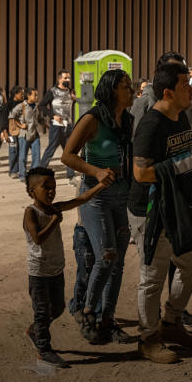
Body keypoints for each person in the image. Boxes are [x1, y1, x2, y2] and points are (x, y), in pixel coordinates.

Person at [132, 62, 192, 364]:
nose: (191, 89)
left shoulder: (181, 117)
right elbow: (141, 173)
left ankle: (171, 322)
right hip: (152, 211)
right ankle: (147, 338)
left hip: (179, 205)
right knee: (152, 276)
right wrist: (184, 167)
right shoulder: (152, 125)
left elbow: (185, 157)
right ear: (168, 91)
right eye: (185, 85)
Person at [62, 69, 134, 344]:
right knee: (107, 256)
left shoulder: (128, 120)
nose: (130, 90)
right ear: (112, 90)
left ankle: (108, 320)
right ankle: (88, 312)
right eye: (125, 86)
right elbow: (68, 156)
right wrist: (97, 171)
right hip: (96, 195)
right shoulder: (92, 118)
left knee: (118, 264)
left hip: (122, 194)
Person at [23, 166, 107, 368]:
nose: (51, 191)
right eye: (46, 187)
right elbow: (38, 239)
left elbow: (81, 199)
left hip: (55, 270)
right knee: (42, 311)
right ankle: (44, 350)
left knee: (58, 308)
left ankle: (35, 329)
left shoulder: (55, 208)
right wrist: (54, 221)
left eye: (53, 187)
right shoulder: (31, 212)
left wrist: (101, 186)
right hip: (39, 273)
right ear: (32, 191)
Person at [39, 70, 77, 179]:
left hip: (68, 125)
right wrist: (53, 115)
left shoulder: (70, 91)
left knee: (70, 151)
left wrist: (74, 100)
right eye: (65, 78)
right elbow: (41, 105)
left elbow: (69, 105)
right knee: (51, 149)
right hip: (56, 126)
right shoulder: (53, 91)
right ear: (59, 79)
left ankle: (71, 175)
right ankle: (40, 172)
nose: (68, 80)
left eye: (69, 78)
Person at [10, 87, 41, 182]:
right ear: (28, 95)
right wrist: (20, 125)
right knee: (23, 156)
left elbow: (39, 119)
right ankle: (22, 175)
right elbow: (11, 116)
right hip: (24, 135)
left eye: (37, 95)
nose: (36, 97)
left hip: (34, 134)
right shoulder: (21, 106)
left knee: (36, 156)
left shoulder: (36, 106)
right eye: (34, 95)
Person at [5, 85, 26, 179]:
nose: (23, 95)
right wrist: (4, 131)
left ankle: (21, 170)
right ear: (15, 94)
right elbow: (3, 119)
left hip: (22, 130)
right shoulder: (8, 105)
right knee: (13, 150)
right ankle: (13, 171)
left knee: (22, 150)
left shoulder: (24, 104)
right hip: (11, 131)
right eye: (21, 93)